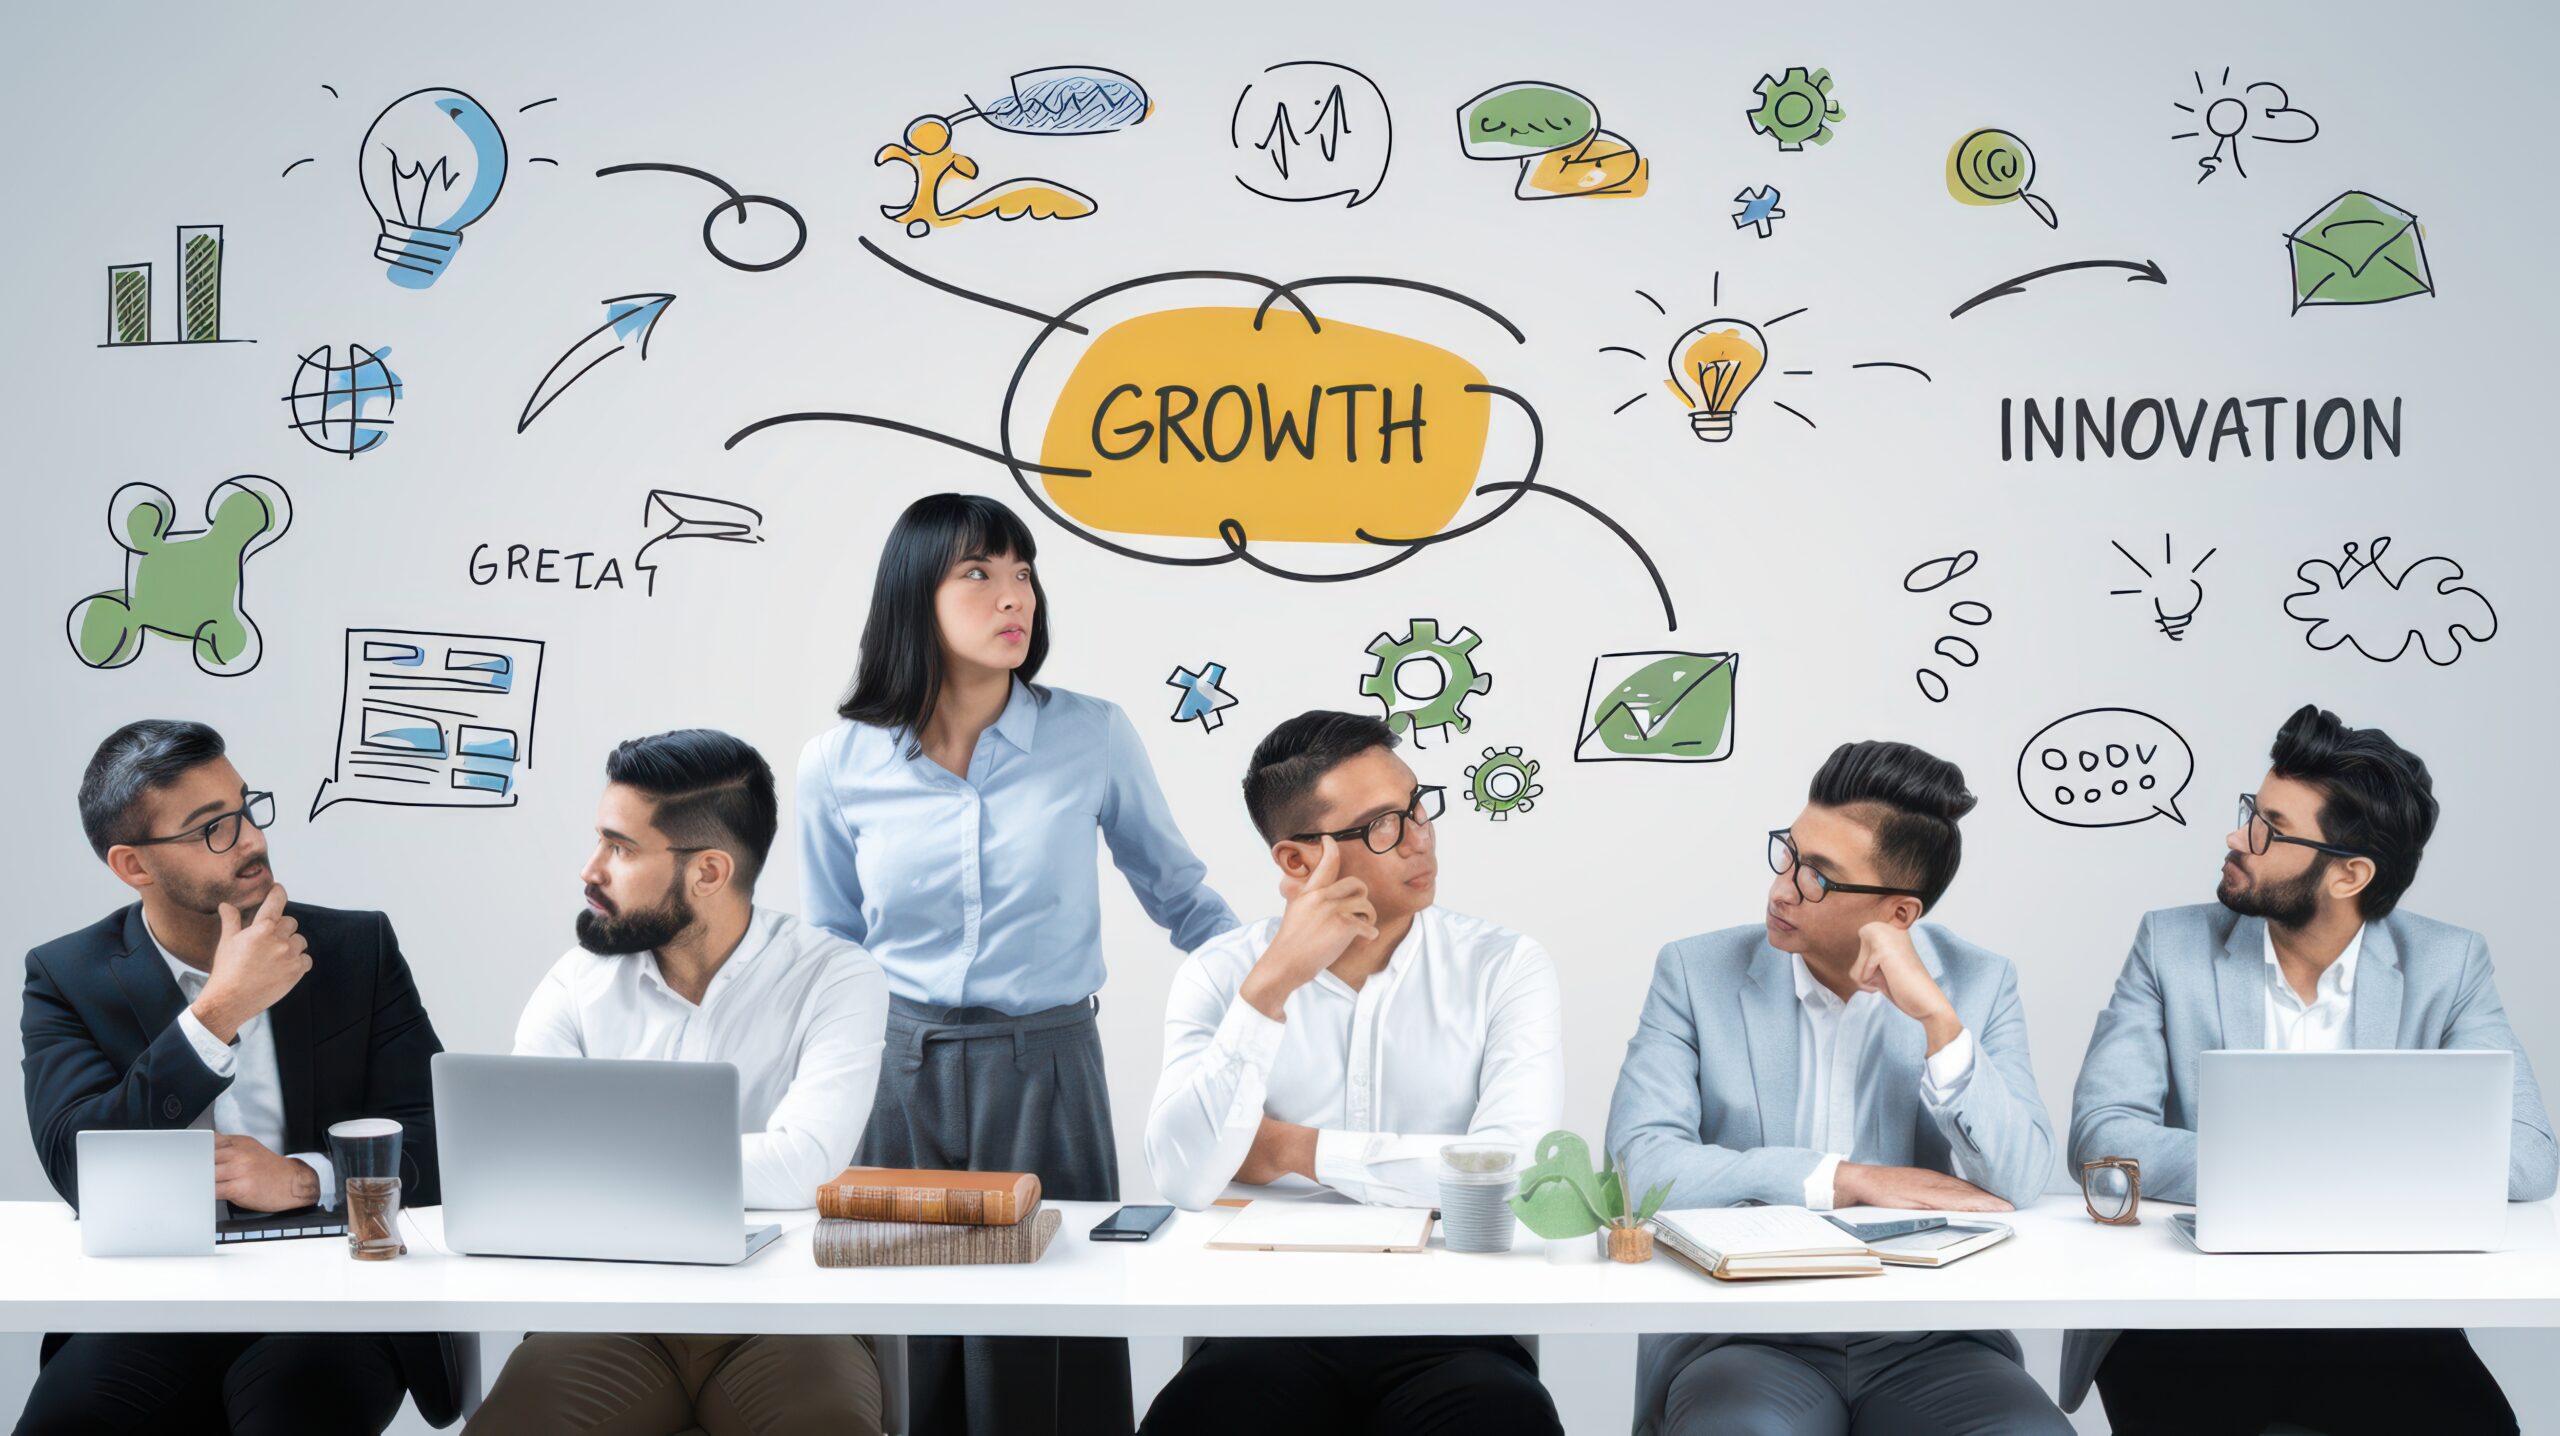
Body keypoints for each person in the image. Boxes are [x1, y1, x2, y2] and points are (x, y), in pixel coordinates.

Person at [798, 493, 1237, 1436]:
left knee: (1047, 1355)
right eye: (980, 574)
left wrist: (1285, 994)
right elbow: (832, 946)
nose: (1015, 598)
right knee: (908, 1350)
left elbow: (1182, 897)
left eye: (1023, 572)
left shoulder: (1093, 733)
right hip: (895, 1073)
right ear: (915, 598)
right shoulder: (837, 765)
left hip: (1047, 1067)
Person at [2065, 704, 2554, 1435]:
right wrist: (2335, 1175)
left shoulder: (2448, 965)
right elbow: (2102, 1138)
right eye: (2248, 812)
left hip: (2381, 1318)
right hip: (2188, 1316)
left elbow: (2526, 1157)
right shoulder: (2170, 944)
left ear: (2350, 874)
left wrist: (2283, 1173)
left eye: (2268, 828)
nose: (2237, 839)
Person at [1606, 740, 2068, 1436]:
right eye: (1787, 854)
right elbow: (1637, 1171)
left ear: (1900, 915)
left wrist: (1938, 1021)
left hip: (1931, 1340)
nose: (1782, 888)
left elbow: (2024, 1178)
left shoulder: (1978, 983)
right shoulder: (1694, 973)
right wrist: (1845, 1180)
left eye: (1818, 876)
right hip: (1744, 1333)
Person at [17, 720, 465, 1434]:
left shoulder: (357, 949)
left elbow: (439, 1148)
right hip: (158, 1298)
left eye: (245, 809)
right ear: (134, 866)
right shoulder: (66, 976)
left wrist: (302, 1180)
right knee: (67, 1420)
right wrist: (216, 1014)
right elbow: (79, 1167)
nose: (252, 839)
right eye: (211, 829)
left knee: (292, 1407)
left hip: (335, 1294)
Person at [1137, 710, 1565, 1435]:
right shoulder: (1222, 975)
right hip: (1263, 1327)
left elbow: (1514, 1173)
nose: (1419, 837)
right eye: (1381, 826)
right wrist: (1270, 988)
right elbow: (1182, 1175)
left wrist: (1292, 1149)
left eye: (1417, 806)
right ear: (1298, 862)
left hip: (1455, 1329)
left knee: (1505, 1420)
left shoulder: (1503, 967)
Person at [470, 730, 890, 1436]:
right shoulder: (575, 984)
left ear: (709, 872)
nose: (590, 870)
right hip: (609, 1320)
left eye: (621, 849)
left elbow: (803, 1166)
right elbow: (527, 1163)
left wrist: (599, 1162)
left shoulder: (837, 977)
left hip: (787, 1319)